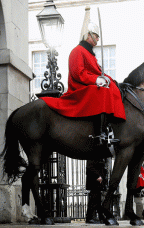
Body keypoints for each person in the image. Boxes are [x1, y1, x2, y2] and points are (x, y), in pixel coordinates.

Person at [42, 16, 126, 157]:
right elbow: (78, 74)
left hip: (89, 83)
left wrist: (110, 80)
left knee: (111, 88)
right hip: (79, 87)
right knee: (102, 92)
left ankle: (110, 125)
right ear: (88, 35)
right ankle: (100, 134)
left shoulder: (90, 54)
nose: (98, 39)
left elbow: (99, 72)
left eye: (98, 37)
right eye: (96, 36)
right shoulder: (77, 51)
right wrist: (97, 80)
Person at [85, 158, 108, 224]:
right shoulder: (93, 154)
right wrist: (98, 176)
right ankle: (89, 218)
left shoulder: (100, 157)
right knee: (93, 199)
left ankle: (100, 217)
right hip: (94, 181)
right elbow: (90, 167)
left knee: (97, 200)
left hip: (98, 181)